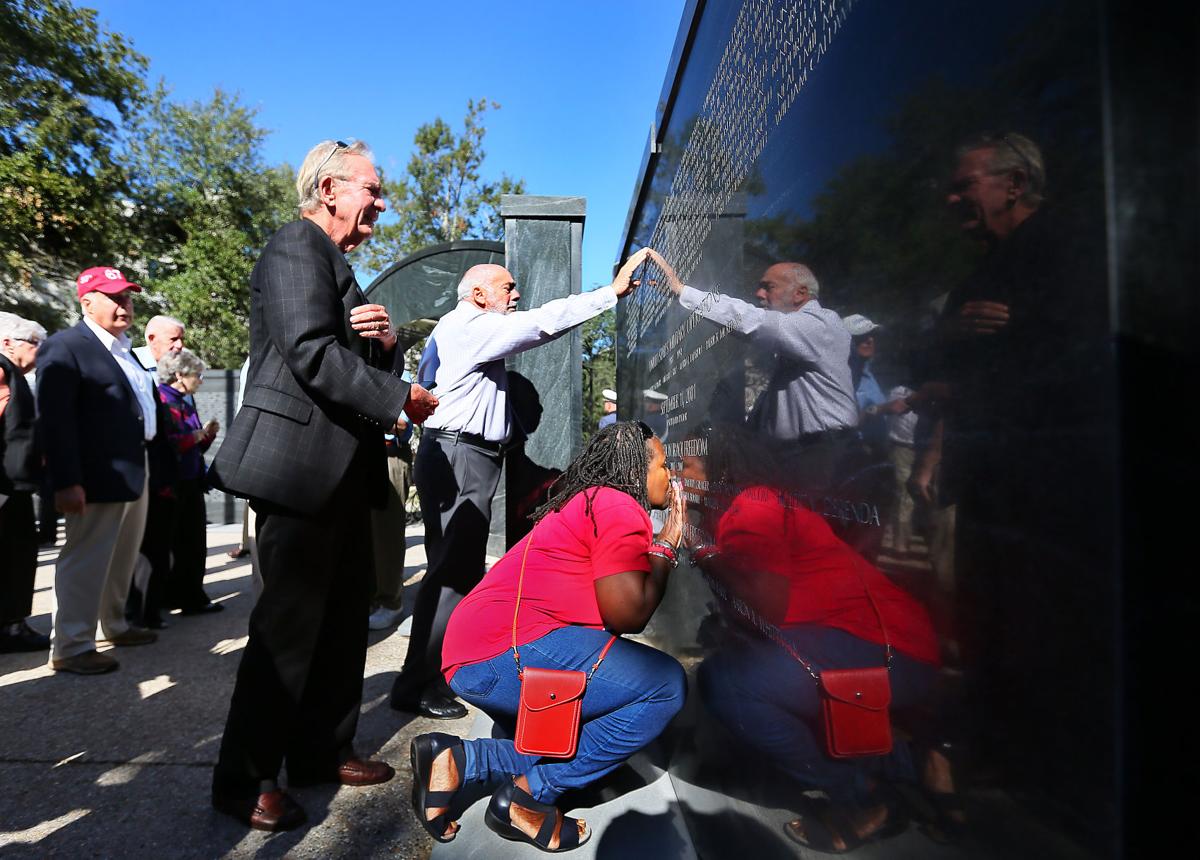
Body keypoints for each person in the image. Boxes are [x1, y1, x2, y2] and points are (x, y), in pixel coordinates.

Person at [207, 139, 438, 831]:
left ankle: (321, 752)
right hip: (299, 471)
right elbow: (307, 351)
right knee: (288, 630)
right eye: (373, 187)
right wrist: (399, 393)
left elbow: (337, 343)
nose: (382, 201)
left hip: (343, 476)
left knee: (340, 625)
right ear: (331, 188)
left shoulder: (334, 262)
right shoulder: (294, 247)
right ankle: (243, 780)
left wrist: (384, 343)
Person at [390, 249, 650, 720]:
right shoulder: (472, 324)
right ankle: (419, 683)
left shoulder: (458, 327)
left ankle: (431, 675)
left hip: (460, 454)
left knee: (454, 570)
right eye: (507, 288)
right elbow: (542, 323)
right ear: (477, 294)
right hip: (460, 454)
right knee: (451, 575)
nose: (516, 295)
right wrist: (608, 295)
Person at [410, 421, 687, 852]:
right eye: (664, 465)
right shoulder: (618, 505)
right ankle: (526, 796)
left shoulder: (589, 499)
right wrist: (666, 545)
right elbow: (628, 612)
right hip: (499, 655)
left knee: (593, 720)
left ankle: (457, 762)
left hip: (475, 650)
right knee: (664, 687)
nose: (669, 476)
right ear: (635, 470)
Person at [686, 425, 941, 853]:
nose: (676, 474)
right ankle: (914, 761)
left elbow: (765, 608)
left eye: (686, 463)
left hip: (893, 652)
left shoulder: (754, 505)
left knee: (727, 684)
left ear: (718, 468)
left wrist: (699, 547)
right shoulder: (739, 508)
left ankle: (864, 796)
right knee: (735, 664)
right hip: (866, 643)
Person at [646, 251, 858, 496]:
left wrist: (683, 292)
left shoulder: (820, 324)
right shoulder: (795, 343)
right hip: (801, 457)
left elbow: (752, 321)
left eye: (769, 287)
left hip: (820, 455)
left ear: (800, 293)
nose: (759, 295)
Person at [37, 266, 161, 675]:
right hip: (95, 472)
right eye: (113, 296)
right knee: (86, 557)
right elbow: (55, 420)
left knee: (123, 555)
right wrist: (67, 480)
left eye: (127, 295)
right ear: (86, 301)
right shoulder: (66, 346)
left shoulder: (124, 349)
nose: (124, 303)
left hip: (134, 465)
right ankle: (72, 645)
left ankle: (115, 624)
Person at [0, 312, 50, 652]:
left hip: (13, 485)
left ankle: (13, 625)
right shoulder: (2, 370)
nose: (39, 351)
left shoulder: (13, 373)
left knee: (18, 553)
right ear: (7, 343)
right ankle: (10, 628)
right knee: (13, 555)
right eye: (34, 343)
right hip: (4, 486)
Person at [156, 348, 220, 615]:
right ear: (180, 375)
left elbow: (192, 446)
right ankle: (167, 599)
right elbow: (162, 444)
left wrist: (205, 437)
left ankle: (191, 596)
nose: (201, 380)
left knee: (192, 543)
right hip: (170, 484)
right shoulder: (161, 399)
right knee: (170, 545)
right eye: (198, 375)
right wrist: (193, 438)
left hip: (191, 480)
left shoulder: (184, 400)